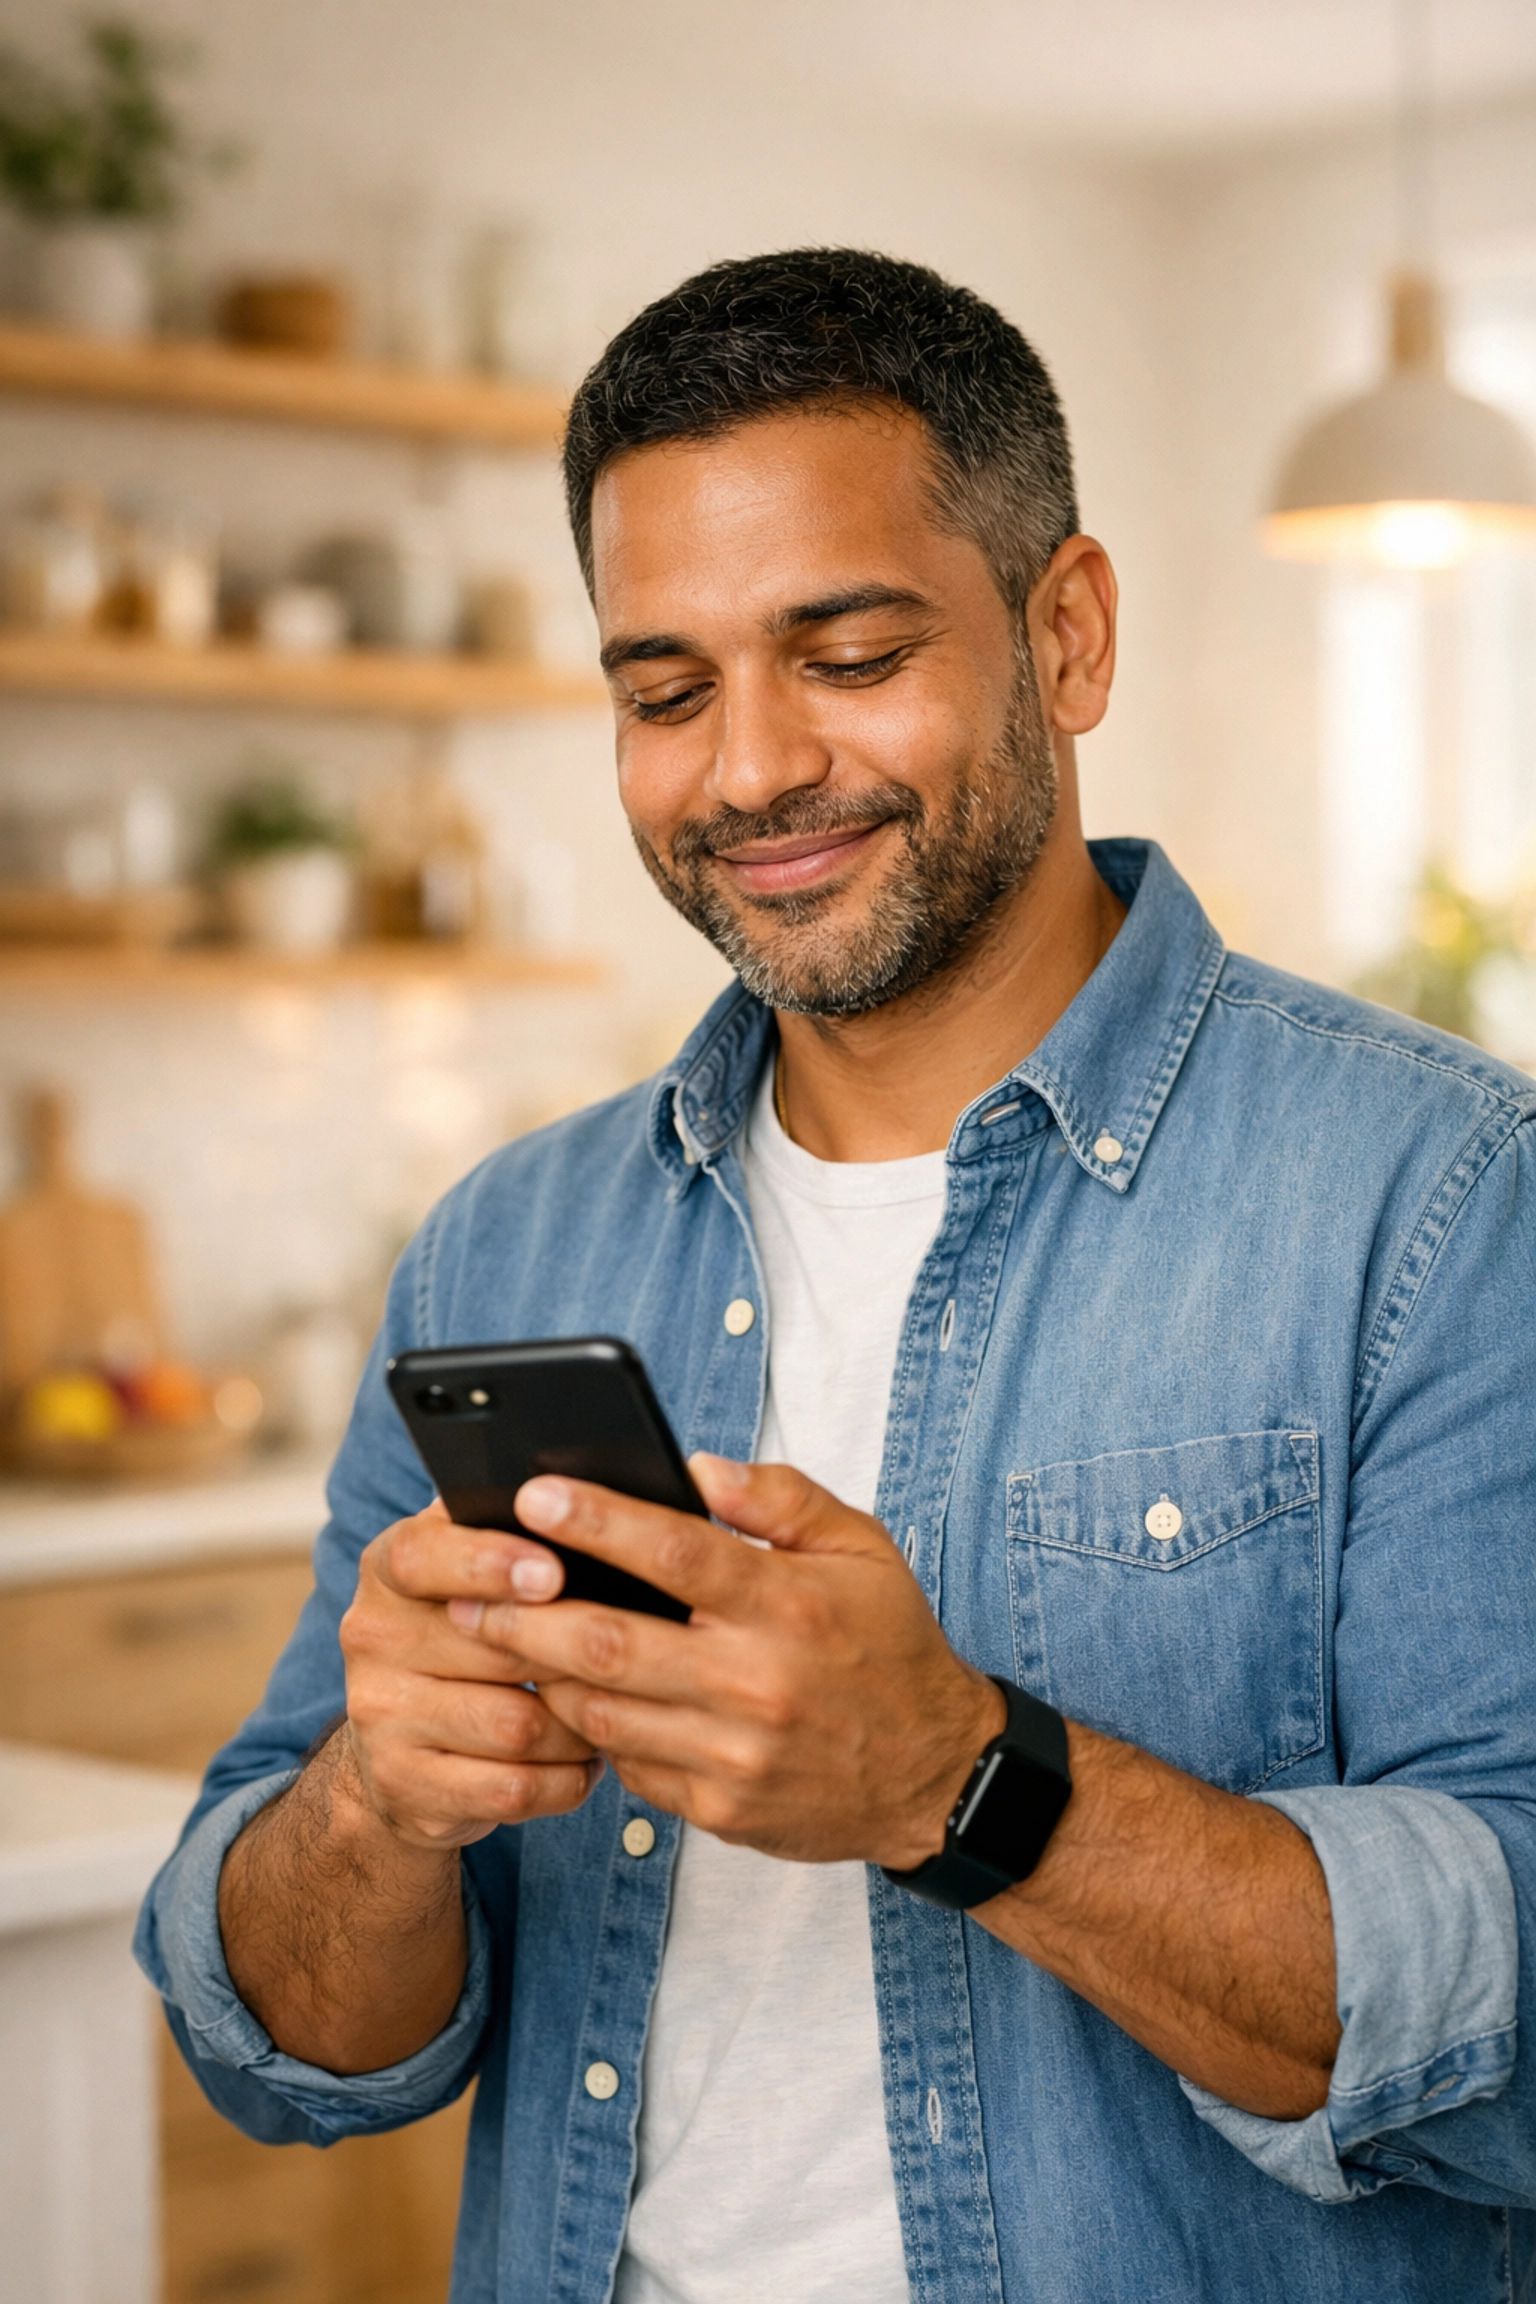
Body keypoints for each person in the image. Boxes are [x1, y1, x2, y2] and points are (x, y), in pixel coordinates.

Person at [138, 249, 1536, 2304]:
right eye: (665, 691)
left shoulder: (1440, 1199)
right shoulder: (508, 1242)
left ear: (1068, 634)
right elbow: (286, 2057)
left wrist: (956, 1777)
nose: (750, 771)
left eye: (850, 654)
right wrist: (379, 1804)